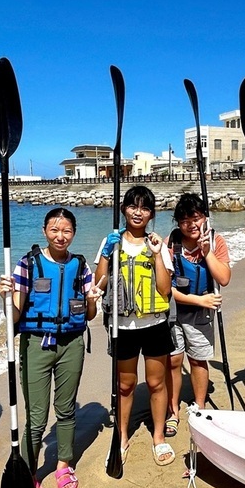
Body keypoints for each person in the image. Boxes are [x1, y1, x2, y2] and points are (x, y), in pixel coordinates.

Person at [0, 208, 102, 488]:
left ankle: (64, 464)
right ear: (44, 231)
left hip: (71, 343)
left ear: (74, 234)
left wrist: (92, 300)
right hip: (36, 344)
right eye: (55, 230)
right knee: (37, 417)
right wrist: (5, 297)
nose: (60, 236)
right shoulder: (28, 264)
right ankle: (29, 475)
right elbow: (15, 314)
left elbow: (89, 314)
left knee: (66, 410)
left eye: (67, 231)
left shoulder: (80, 266)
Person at [95, 186, 176, 466]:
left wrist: (156, 255)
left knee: (155, 383)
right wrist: (107, 253)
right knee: (126, 385)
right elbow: (99, 283)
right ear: (124, 210)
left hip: (154, 324)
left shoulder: (157, 243)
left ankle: (158, 437)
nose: (137, 212)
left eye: (144, 207)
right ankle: (122, 436)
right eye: (132, 206)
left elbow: (165, 290)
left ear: (151, 213)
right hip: (123, 326)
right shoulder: (112, 240)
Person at [165, 193, 231, 435]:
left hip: (202, 314)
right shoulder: (171, 244)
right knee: (173, 360)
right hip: (174, 311)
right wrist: (197, 299)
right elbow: (165, 287)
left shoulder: (215, 241)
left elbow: (223, 278)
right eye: (184, 220)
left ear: (205, 218)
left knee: (197, 359)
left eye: (196, 218)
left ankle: (200, 405)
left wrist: (206, 252)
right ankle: (173, 411)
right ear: (177, 223)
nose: (191, 225)